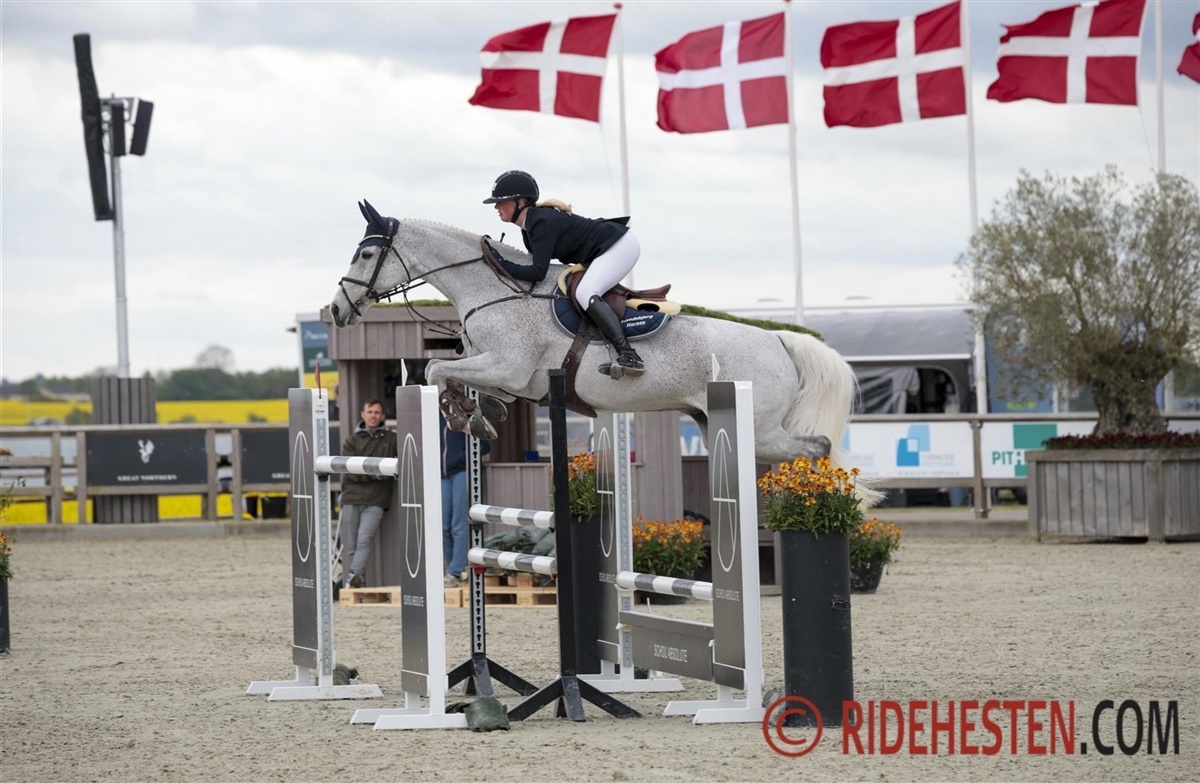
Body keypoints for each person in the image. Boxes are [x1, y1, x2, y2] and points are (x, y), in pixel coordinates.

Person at [483, 169, 645, 377]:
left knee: (585, 292)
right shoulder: (529, 227)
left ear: (521, 202)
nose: (496, 207)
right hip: (605, 248)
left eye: (501, 201)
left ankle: (629, 354)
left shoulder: (541, 223)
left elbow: (538, 272)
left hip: (620, 246)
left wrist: (500, 264)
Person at [338, 398, 396, 588]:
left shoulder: (392, 439)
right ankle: (356, 581)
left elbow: (398, 466)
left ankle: (353, 576)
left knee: (364, 539)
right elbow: (348, 471)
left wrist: (364, 473)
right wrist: (376, 474)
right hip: (351, 498)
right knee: (350, 544)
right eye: (370, 412)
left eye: (377, 412)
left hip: (376, 500)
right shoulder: (352, 440)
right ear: (363, 414)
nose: (373, 416)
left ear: (383, 416)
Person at [440, 411, 489, 587]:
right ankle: (452, 571)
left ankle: (456, 571)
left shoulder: (467, 414)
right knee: (443, 527)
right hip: (442, 474)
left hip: (462, 471)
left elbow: (485, 445)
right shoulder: (434, 415)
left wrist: (463, 457)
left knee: (458, 525)